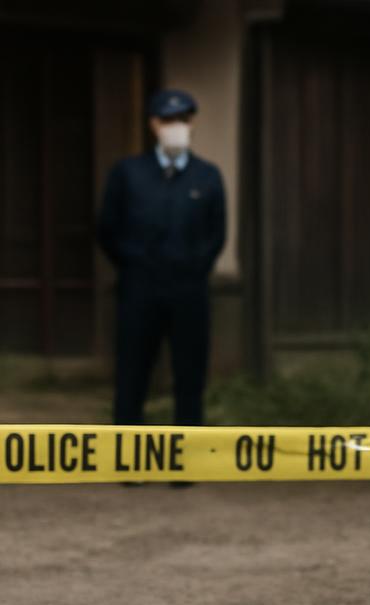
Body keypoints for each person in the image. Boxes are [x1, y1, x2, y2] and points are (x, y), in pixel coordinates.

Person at [97, 88, 226, 430]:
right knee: (131, 375)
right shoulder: (128, 173)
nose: (175, 126)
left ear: (192, 123)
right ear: (154, 124)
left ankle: (186, 451)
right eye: (168, 120)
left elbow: (217, 234)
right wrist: (133, 264)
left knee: (190, 378)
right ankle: (128, 449)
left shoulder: (207, 175)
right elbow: (107, 228)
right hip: (139, 290)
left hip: (189, 292)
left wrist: (194, 267)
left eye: (182, 119)